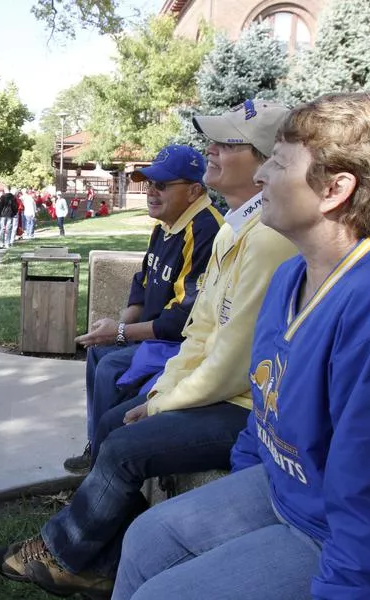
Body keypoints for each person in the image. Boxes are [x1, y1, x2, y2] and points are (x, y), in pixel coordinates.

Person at [114, 92, 370, 599]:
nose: (261, 177)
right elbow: (268, 407)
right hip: (283, 488)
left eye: (281, 164)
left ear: (334, 189)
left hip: (334, 533)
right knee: (148, 538)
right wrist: (246, 481)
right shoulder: (290, 275)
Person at [0, 101, 299, 599]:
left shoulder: (262, 239)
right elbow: (201, 331)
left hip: (243, 406)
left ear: (265, 160)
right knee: (117, 422)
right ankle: (97, 557)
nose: (212, 152)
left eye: (227, 144)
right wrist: (164, 388)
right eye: (213, 142)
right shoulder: (236, 228)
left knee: (124, 439)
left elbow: (231, 360)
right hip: (216, 388)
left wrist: (160, 399)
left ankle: (67, 554)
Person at [63, 145, 222, 476]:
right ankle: (97, 445)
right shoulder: (167, 223)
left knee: (109, 369)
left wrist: (122, 333)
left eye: (161, 185)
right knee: (97, 353)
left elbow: (185, 316)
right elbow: (144, 279)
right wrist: (120, 326)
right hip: (152, 334)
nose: (151, 191)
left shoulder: (206, 230)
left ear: (194, 190)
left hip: (180, 345)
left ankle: (102, 469)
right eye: (148, 183)